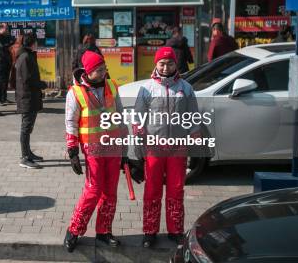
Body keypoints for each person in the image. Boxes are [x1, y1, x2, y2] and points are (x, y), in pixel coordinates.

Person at [130, 47, 201, 248]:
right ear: (156, 64)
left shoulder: (186, 88)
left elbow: (193, 116)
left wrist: (195, 138)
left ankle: (175, 230)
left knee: (176, 189)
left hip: (178, 148)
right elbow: (138, 119)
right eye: (161, 63)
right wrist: (139, 145)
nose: (166, 66)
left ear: (175, 64)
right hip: (154, 147)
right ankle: (149, 231)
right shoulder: (147, 88)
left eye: (170, 63)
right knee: (152, 190)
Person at [63, 50, 130, 252]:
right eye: (98, 70)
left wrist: (126, 150)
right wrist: (72, 150)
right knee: (93, 191)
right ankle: (74, 230)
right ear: (88, 71)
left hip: (113, 147)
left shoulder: (111, 86)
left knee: (110, 193)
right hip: (93, 149)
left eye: (104, 69)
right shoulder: (75, 93)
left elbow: (120, 116)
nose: (103, 73)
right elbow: (70, 122)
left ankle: (103, 231)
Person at [15, 33, 47, 169]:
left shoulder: (28, 55)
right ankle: (24, 158)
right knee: (25, 128)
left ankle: (28, 153)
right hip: (27, 97)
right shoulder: (25, 57)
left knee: (28, 128)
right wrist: (42, 84)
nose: (38, 45)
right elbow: (28, 80)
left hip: (30, 97)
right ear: (32, 43)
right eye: (36, 42)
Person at [0, 23, 14, 106]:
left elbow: (12, 41)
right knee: (0, 81)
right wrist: (11, 43)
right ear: (1, 28)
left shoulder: (7, 36)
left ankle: (4, 98)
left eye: (8, 29)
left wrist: (11, 41)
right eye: (6, 28)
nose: (7, 30)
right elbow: (3, 46)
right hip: (0, 61)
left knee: (5, 81)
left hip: (7, 61)